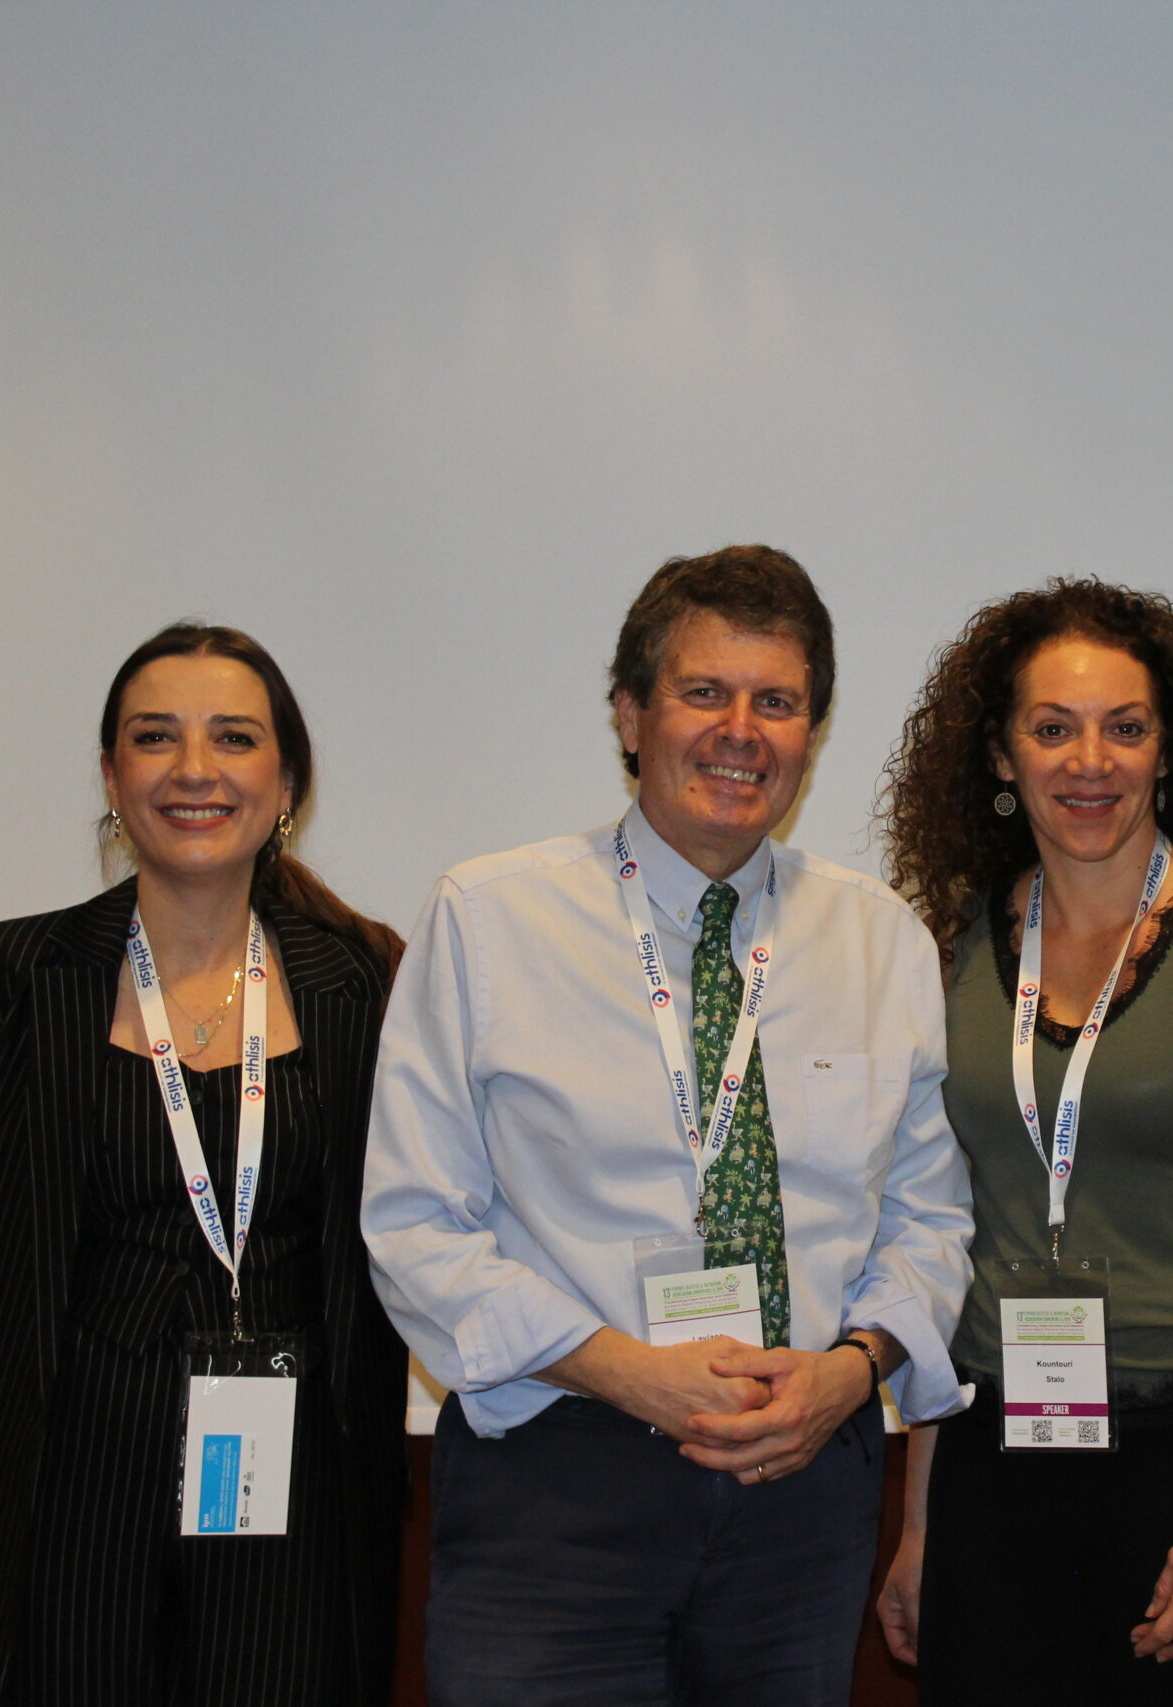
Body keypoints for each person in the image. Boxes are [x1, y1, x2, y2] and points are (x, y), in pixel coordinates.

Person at [361, 544, 975, 1707]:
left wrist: (854, 1373)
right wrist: (629, 1374)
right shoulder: (490, 919)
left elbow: (930, 1220)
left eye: (776, 702)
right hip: (561, 1480)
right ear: (630, 714)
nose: (741, 731)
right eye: (704, 693)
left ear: (811, 733)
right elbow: (414, 1227)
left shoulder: (879, 939)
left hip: (802, 1492)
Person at [873, 579, 1173, 1705]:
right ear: (1000, 755)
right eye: (1053, 729)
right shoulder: (955, 945)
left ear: (1168, 750)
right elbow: (953, 1241)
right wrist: (920, 1525)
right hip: (996, 1462)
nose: (1089, 762)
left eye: (1124, 728)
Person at [0, 623, 411, 1706]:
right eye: (155, 737)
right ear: (111, 775)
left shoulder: (364, 984)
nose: (194, 769)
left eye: (232, 737)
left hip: (292, 1480)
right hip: (60, 1479)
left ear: (287, 782)